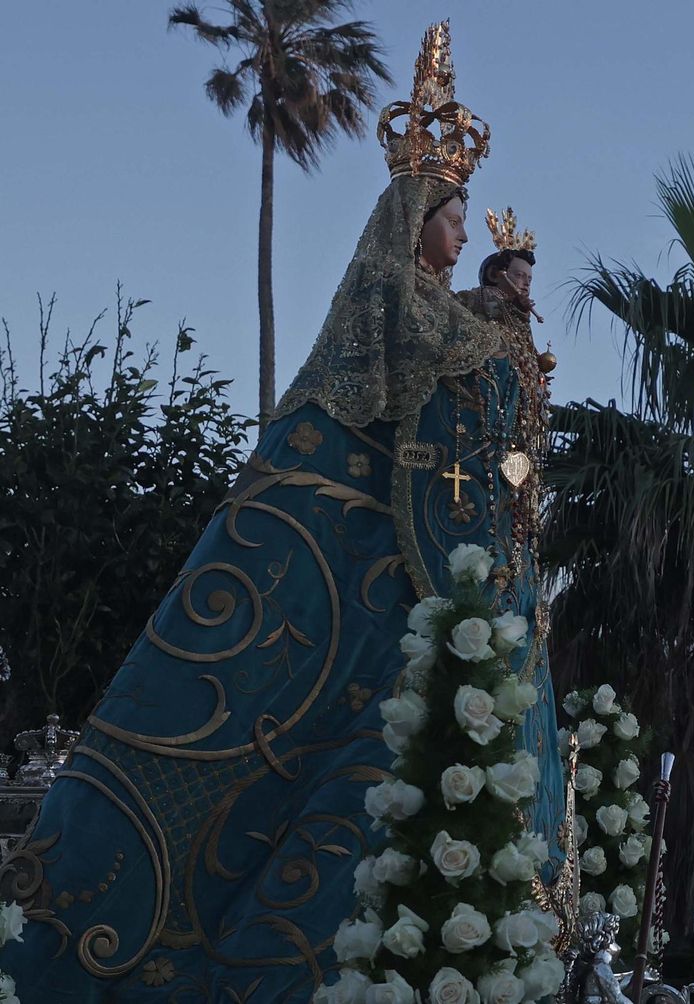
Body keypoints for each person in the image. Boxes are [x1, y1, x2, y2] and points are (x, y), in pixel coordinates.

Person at [0, 24, 563, 1001]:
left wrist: (510, 493)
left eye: (467, 215)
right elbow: (402, 446)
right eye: (454, 212)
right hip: (397, 577)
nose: (467, 234)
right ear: (417, 211)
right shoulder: (406, 320)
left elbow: (498, 456)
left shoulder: (468, 324)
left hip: (453, 571)